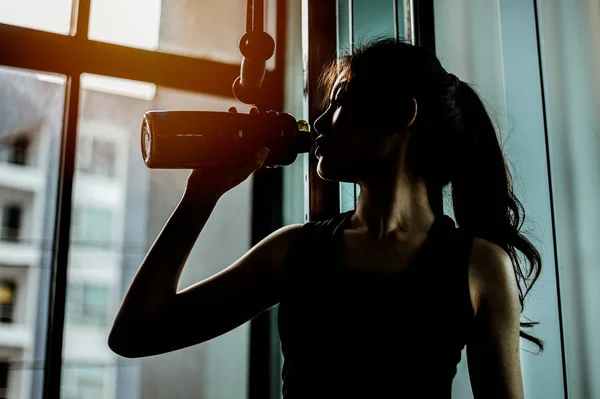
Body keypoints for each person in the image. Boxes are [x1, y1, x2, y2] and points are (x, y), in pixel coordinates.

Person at [108, 38, 544, 398]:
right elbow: (136, 334)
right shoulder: (295, 250)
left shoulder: (478, 267)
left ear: (401, 115)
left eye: (340, 101)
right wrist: (200, 196)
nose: (318, 122)